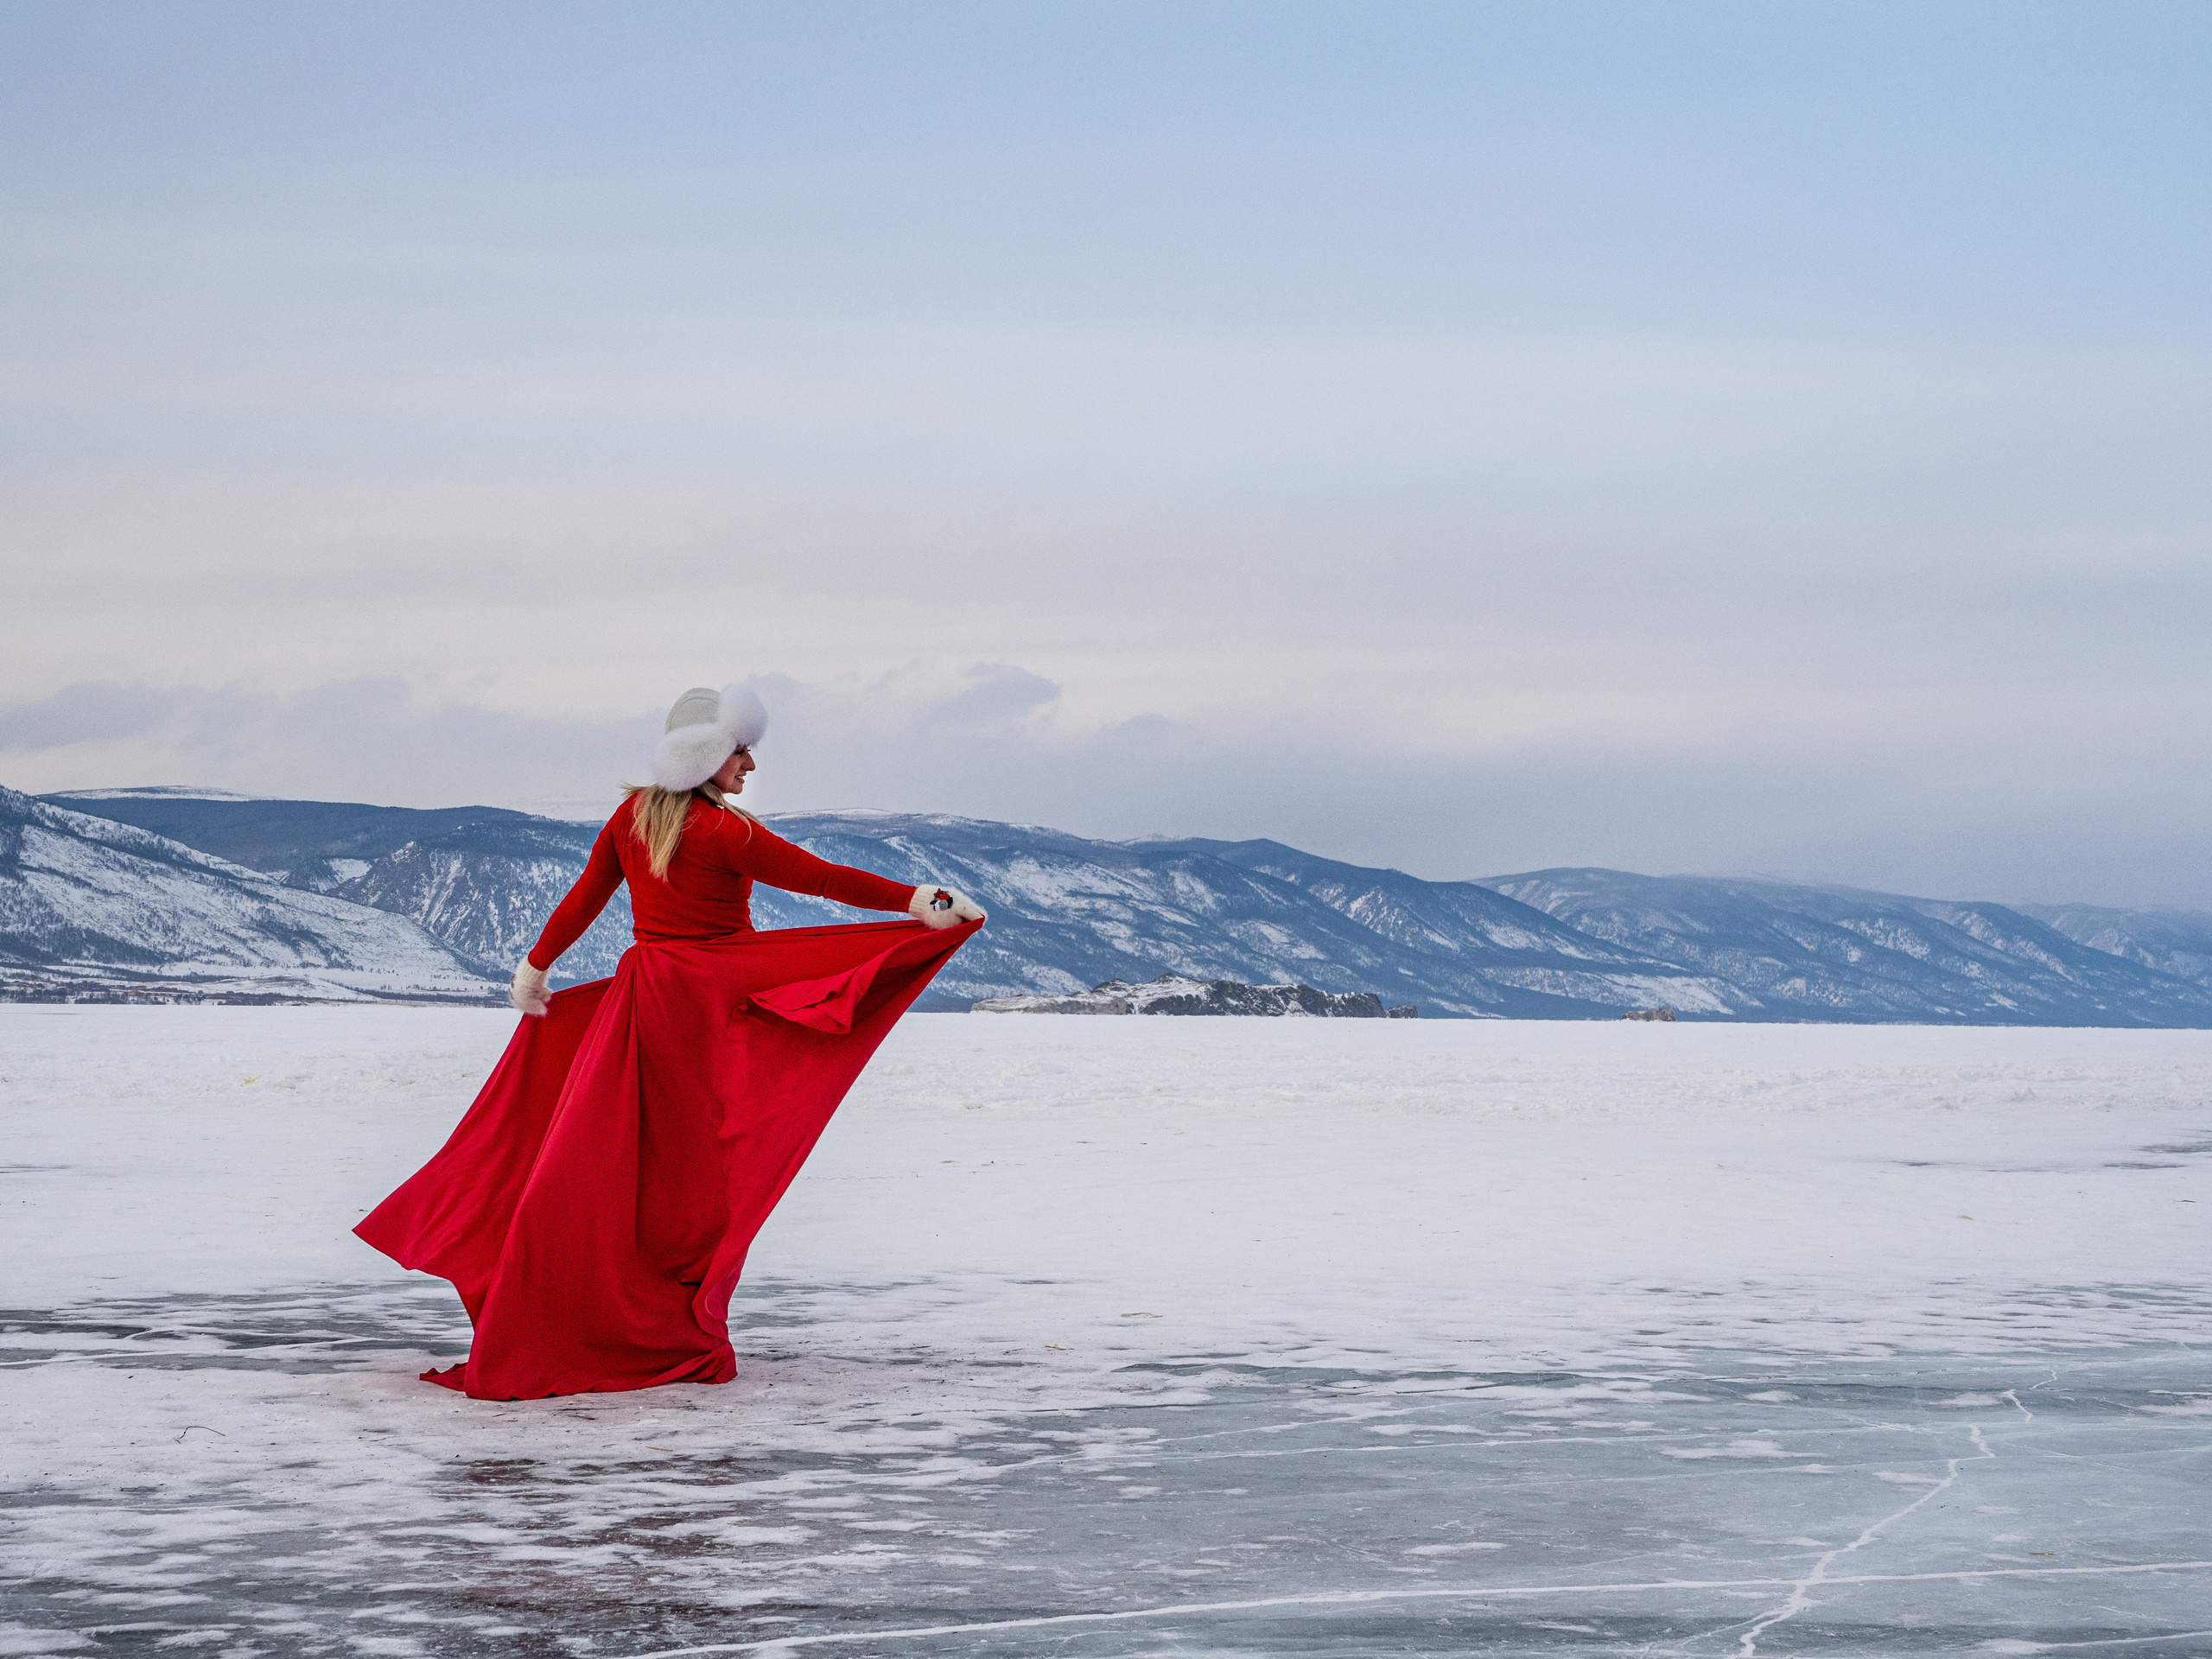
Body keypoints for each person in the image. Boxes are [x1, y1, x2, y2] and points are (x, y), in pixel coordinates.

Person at [356, 683, 985, 1400]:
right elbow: (819, 880)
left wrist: (534, 969)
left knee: (629, 1167)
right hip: (706, 1007)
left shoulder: (633, 818)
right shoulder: (724, 831)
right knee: (695, 1180)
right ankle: (659, 1322)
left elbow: (584, 898)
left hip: (645, 1002)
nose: (750, 765)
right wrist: (916, 903)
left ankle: (623, 1314)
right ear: (705, 758)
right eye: (739, 752)